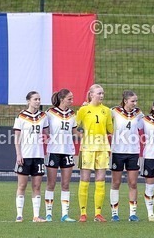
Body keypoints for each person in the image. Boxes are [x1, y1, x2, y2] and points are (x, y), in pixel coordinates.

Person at [75, 84, 113, 222]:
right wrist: (82, 137)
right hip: (87, 149)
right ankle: (83, 213)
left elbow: (110, 129)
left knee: (100, 180)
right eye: (99, 93)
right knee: (84, 180)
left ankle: (98, 213)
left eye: (102, 93)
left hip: (102, 148)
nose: (101, 96)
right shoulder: (83, 110)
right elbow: (75, 126)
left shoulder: (107, 111)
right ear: (91, 95)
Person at [13, 90, 47, 222]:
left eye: (39, 99)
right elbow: (17, 138)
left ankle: (36, 216)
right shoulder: (21, 116)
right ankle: (19, 215)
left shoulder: (43, 116)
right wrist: (18, 154)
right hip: (25, 156)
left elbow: (46, 133)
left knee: (37, 186)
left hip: (38, 156)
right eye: (35, 99)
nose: (38, 101)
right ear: (28, 101)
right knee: (22, 186)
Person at [109, 90, 144, 222]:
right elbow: (101, 117)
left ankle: (133, 213)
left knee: (133, 183)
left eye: (136, 101)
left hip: (133, 152)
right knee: (116, 182)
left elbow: (146, 124)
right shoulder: (114, 111)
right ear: (125, 101)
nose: (135, 103)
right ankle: (114, 213)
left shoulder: (138, 113)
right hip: (118, 151)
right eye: (132, 101)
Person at [44, 89, 77, 222]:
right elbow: (45, 131)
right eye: (69, 98)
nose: (72, 101)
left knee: (65, 184)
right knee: (51, 183)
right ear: (62, 99)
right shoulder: (50, 113)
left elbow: (75, 132)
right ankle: (48, 214)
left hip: (68, 151)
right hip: (53, 151)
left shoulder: (72, 114)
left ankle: (65, 215)